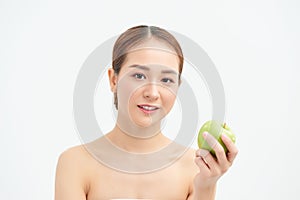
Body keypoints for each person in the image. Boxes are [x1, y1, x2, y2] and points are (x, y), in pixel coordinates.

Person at [55, 25, 238, 200]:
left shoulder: (196, 167)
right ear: (113, 80)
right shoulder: (75, 164)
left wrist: (206, 186)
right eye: (139, 76)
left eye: (166, 80)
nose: (152, 92)